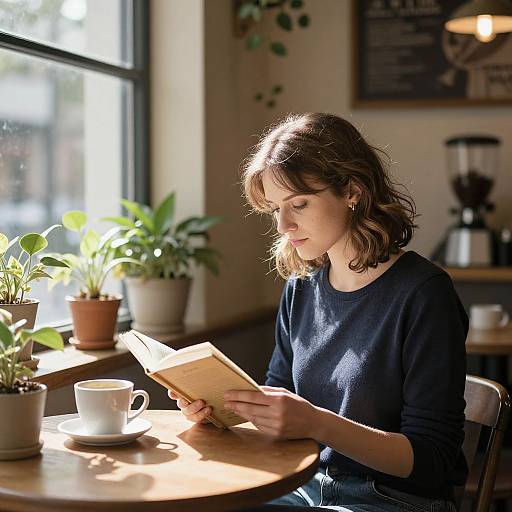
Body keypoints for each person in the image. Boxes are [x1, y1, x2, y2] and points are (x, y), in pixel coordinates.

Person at [168, 112, 468, 512]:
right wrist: (219, 413)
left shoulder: (424, 293)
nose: (284, 224)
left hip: (392, 500)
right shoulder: (302, 288)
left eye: (299, 204)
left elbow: (432, 461)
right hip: (304, 485)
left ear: (352, 192)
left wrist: (317, 423)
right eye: (274, 208)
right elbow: (280, 405)